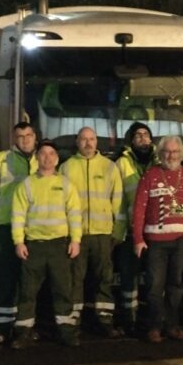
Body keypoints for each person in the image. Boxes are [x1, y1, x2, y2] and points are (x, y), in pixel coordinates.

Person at [132, 135, 183, 343]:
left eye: (175, 152)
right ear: (160, 153)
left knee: (176, 284)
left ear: (181, 154)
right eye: (167, 151)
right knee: (155, 285)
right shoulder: (150, 176)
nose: (171, 155)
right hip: (155, 242)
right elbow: (139, 209)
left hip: (180, 242)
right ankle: (154, 327)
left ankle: (173, 326)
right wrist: (138, 239)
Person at [11, 140, 82, 349]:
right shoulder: (26, 185)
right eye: (43, 154)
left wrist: (76, 240)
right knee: (27, 292)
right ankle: (23, 333)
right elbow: (18, 216)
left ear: (57, 159)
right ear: (37, 158)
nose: (47, 158)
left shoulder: (66, 185)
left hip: (59, 246)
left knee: (63, 291)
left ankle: (66, 332)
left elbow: (75, 215)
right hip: (34, 247)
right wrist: (18, 242)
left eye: (52, 154)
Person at [59, 127, 123, 337]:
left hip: (103, 235)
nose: (88, 143)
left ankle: (104, 320)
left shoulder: (109, 167)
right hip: (76, 236)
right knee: (74, 280)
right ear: (77, 142)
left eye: (92, 139)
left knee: (104, 279)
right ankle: (73, 322)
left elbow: (118, 201)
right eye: (84, 139)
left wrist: (118, 232)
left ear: (97, 142)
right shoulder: (66, 168)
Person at [0, 122, 38, 344]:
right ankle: (3, 326)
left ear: (35, 137)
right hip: (6, 227)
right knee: (6, 278)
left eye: (28, 135)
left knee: (29, 280)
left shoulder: (43, 159)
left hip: (33, 229)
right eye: (20, 136)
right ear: (14, 139)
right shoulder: (2, 160)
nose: (25, 140)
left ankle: (25, 325)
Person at [114, 122, 158, 334]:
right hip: (130, 231)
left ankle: (152, 319)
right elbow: (117, 200)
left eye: (146, 135)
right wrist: (119, 231)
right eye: (137, 135)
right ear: (131, 140)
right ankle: (129, 320)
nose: (142, 138)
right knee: (128, 277)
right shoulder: (121, 163)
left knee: (154, 278)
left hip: (156, 231)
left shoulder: (160, 161)